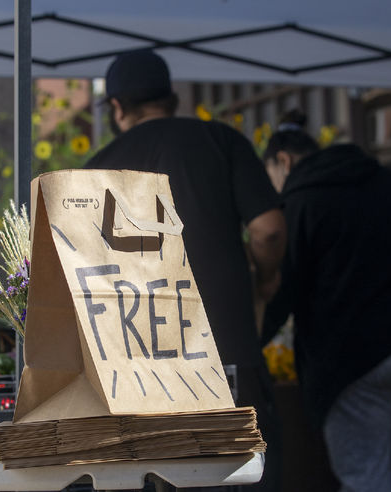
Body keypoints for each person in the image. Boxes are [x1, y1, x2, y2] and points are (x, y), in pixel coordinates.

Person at [85, 50, 286, 492]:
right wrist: (267, 278)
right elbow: (269, 230)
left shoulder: (94, 168)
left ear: (117, 108)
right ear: (171, 98)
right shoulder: (221, 140)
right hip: (227, 357)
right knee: (247, 479)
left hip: (139, 373)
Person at [263, 111, 391, 492]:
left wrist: (255, 337)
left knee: (365, 477)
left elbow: (286, 287)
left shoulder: (300, 202)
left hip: (354, 353)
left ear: (283, 161)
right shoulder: (390, 181)